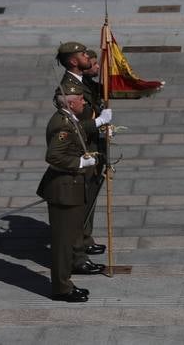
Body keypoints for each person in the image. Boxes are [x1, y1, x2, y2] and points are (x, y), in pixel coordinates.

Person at [37, 91, 105, 301]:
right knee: (63, 243)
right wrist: (79, 163)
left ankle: (65, 280)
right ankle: (62, 288)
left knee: (71, 237)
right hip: (64, 190)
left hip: (72, 188)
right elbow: (53, 155)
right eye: (81, 100)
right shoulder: (62, 124)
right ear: (72, 103)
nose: (84, 101)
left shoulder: (70, 119)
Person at [55, 41, 113, 256]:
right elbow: (73, 125)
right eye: (83, 56)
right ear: (73, 61)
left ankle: (85, 239)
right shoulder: (70, 88)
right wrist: (98, 123)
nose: (88, 59)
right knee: (83, 199)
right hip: (83, 150)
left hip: (93, 145)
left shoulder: (83, 82)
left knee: (91, 196)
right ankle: (79, 245)